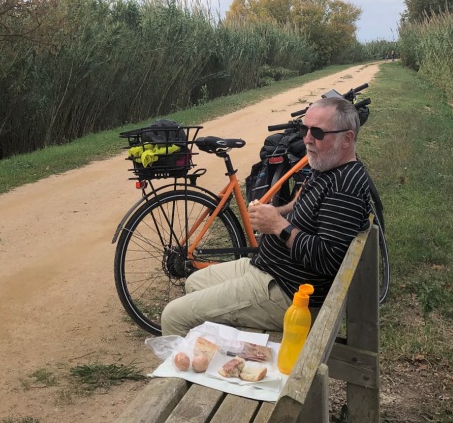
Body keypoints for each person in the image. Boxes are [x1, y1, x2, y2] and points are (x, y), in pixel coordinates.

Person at [159, 95, 373, 337]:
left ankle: (188, 370)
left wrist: (278, 225)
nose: (307, 139)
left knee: (174, 316)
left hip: (287, 294)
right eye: (305, 129)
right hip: (267, 269)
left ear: (347, 138)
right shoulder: (328, 166)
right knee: (194, 282)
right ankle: (216, 353)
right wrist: (277, 211)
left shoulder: (345, 188)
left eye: (318, 133)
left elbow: (328, 258)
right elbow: (302, 204)